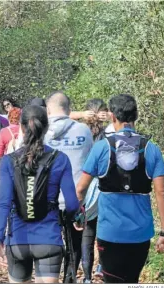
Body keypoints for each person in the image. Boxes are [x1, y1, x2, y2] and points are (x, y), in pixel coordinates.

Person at [76, 94, 164, 283]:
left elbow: (81, 188)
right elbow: (161, 192)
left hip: (110, 232)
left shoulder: (102, 147)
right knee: (132, 281)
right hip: (140, 233)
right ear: (136, 116)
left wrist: (78, 213)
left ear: (112, 117)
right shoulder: (152, 149)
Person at [0, 105, 80, 283]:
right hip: (49, 238)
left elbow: (3, 203)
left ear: (22, 128)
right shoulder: (60, 159)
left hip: (17, 239)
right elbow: (71, 204)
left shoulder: (9, 161)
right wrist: (75, 216)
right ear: (46, 128)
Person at [44, 91, 93, 283]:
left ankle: (50, 278)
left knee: (50, 243)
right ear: (70, 109)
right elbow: (89, 161)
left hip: (48, 198)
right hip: (77, 198)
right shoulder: (83, 131)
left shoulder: (40, 131)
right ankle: (69, 278)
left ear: (48, 110)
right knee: (75, 244)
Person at [78, 98, 108, 283]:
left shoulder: (79, 131)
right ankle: (100, 268)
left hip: (87, 186)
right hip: (100, 187)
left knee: (87, 233)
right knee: (101, 231)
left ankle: (88, 277)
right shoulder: (107, 133)